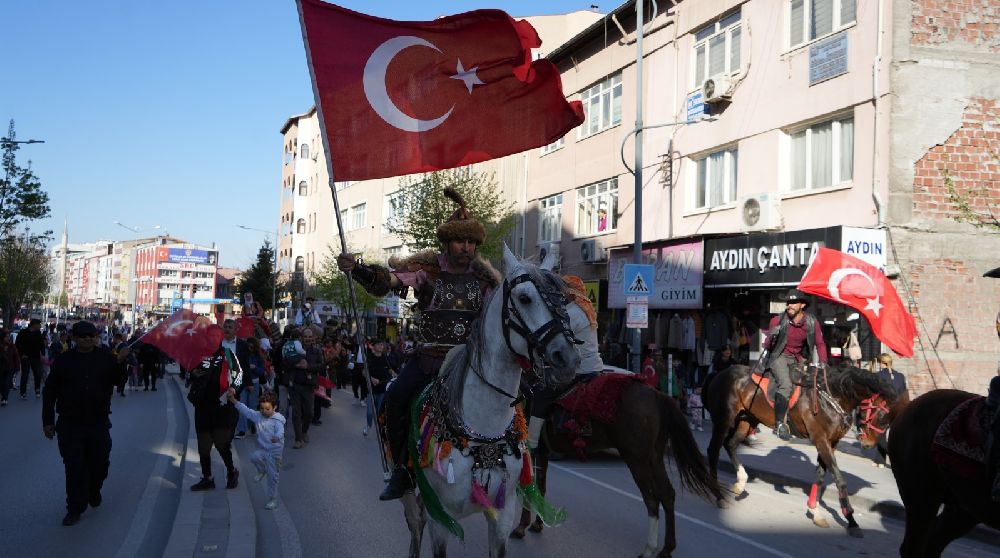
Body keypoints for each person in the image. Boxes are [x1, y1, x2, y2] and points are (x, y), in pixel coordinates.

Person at [337, 187, 499, 500]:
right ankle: (403, 469)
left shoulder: (486, 281)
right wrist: (357, 269)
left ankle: (505, 462)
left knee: (513, 398)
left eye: (471, 242)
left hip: (471, 364)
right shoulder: (427, 270)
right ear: (447, 242)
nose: (466, 247)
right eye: (460, 241)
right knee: (395, 397)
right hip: (429, 361)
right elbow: (391, 281)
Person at [41, 321, 130, 526]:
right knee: (74, 467)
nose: (88, 339)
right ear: (74, 338)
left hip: (97, 423)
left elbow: (120, 382)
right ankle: (74, 508)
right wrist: (48, 421)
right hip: (69, 424)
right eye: (83, 336)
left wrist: (120, 363)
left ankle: (93, 489)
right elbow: (50, 392)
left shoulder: (107, 358)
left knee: (100, 464)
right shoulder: (63, 361)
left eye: (91, 335)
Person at [526, 276, 600, 450]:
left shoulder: (572, 313)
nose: (561, 296)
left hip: (579, 371)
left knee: (541, 394)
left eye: (563, 293)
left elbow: (553, 339)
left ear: (570, 293)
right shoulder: (587, 310)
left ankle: (531, 443)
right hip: (595, 367)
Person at [764, 289, 828, 441]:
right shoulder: (777, 320)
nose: (789, 305)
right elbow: (767, 345)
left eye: (793, 302)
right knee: (786, 385)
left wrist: (823, 363)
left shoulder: (812, 322)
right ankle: (779, 424)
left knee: (809, 385)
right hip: (779, 357)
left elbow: (820, 344)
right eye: (788, 302)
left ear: (802, 305)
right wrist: (772, 336)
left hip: (798, 359)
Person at [187, 345, 243, 492]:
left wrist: (233, 388)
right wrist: (193, 373)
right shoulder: (197, 354)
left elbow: (239, 374)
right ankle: (207, 478)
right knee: (203, 444)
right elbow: (188, 374)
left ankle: (232, 471)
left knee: (221, 443)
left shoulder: (228, 354)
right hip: (202, 406)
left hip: (222, 405)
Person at [229, 388, 285, 510]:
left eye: (267, 409)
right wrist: (234, 401)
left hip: (274, 454)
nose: (264, 411)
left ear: (274, 407)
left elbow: (280, 431)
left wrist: (277, 437)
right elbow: (246, 411)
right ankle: (262, 470)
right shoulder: (258, 416)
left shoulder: (277, 420)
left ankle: (273, 499)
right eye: (262, 408)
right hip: (264, 449)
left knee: (272, 478)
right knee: (254, 457)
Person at [285, 327, 324, 449]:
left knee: (309, 413)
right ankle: (298, 439)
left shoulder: (317, 351)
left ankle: (304, 431)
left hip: (309, 386)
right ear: (301, 338)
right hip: (295, 385)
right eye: (305, 337)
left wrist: (308, 366)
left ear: (313, 338)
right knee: (296, 413)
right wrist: (295, 364)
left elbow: (321, 366)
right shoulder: (294, 349)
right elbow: (284, 363)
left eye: (310, 337)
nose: (308, 339)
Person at [235, 337, 268, 439]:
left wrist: (255, 367)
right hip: (242, 383)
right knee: (242, 406)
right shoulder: (241, 355)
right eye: (248, 346)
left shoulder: (258, 357)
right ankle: (242, 430)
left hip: (254, 383)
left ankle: (252, 424)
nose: (250, 349)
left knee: (252, 406)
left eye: (252, 347)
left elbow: (262, 372)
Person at [363, 339, 394, 437]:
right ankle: (368, 425)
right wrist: (372, 379)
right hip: (371, 390)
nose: (381, 346)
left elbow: (389, 370)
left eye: (382, 344)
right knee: (369, 413)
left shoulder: (384, 357)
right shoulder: (369, 358)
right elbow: (364, 372)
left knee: (379, 412)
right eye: (379, 344)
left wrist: (395, 374)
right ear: (374, 346)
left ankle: (379, 430)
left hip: (382, 390)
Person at [16, 318, 46, 399]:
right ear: (34, 325)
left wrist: (42, 354)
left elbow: (41, 344)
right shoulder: (23, 332)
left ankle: (37, 389)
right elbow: (17, 344)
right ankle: (23, 392)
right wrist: (22, 354)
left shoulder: (38, 333)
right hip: (25, 357)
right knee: (25, 374)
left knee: (37, 374)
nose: (40, 326)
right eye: (38, 325)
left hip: (35, 357)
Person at [0, 329, 20, 406]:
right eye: (6, 337)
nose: (8, 338)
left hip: (10, 367)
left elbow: (16, 357)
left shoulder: (12, 346)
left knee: (7, 383)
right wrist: (3, 351)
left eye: (8, 337)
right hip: (1, 368)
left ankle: (4, 398)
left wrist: (17, 367)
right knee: (1, 383)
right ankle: (3, 396)